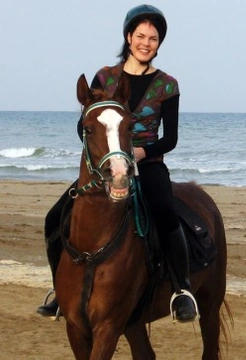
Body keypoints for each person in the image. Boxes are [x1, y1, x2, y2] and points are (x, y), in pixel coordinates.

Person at [36, 4, 198, 323]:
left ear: (159, 43)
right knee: (55, 217)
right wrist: (104, 154)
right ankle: (60, 291)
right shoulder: (104, 77)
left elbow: (171, 139)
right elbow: (84, 125)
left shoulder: (168, 85)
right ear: (128, 37)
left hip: (147, 164)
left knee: (166, 213)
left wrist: (139, 153)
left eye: (153, 38)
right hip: (105, 166)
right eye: (140, 35)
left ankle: (182, 289)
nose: (146, 42)